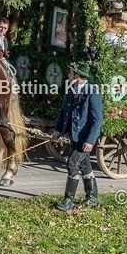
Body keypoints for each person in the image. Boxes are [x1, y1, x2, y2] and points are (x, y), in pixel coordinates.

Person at [52, 62, 103, 212]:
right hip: (74, 137)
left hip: (84, 138)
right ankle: (92, 198)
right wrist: (58, 130)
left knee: (72, 164)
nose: (67, 75)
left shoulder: (91, 93)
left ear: (77, 76)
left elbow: (97, 120)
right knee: (85, 166)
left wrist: (90, 140)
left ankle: (68, 201)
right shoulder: (71, 91)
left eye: (70, 73)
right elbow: (64, 113)